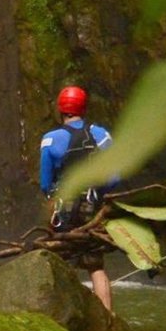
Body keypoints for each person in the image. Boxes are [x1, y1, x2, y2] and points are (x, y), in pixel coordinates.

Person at [41, 84, 117, 310]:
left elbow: (46, 184)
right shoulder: (102, 135)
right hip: (92, 208)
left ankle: (65, 316)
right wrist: (98, 194)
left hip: (64, 209)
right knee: (96, 266)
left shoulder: (50, 140)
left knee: (63, 262)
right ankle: (108, 317)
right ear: (83, 109)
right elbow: (114, 177)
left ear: (61, 109)